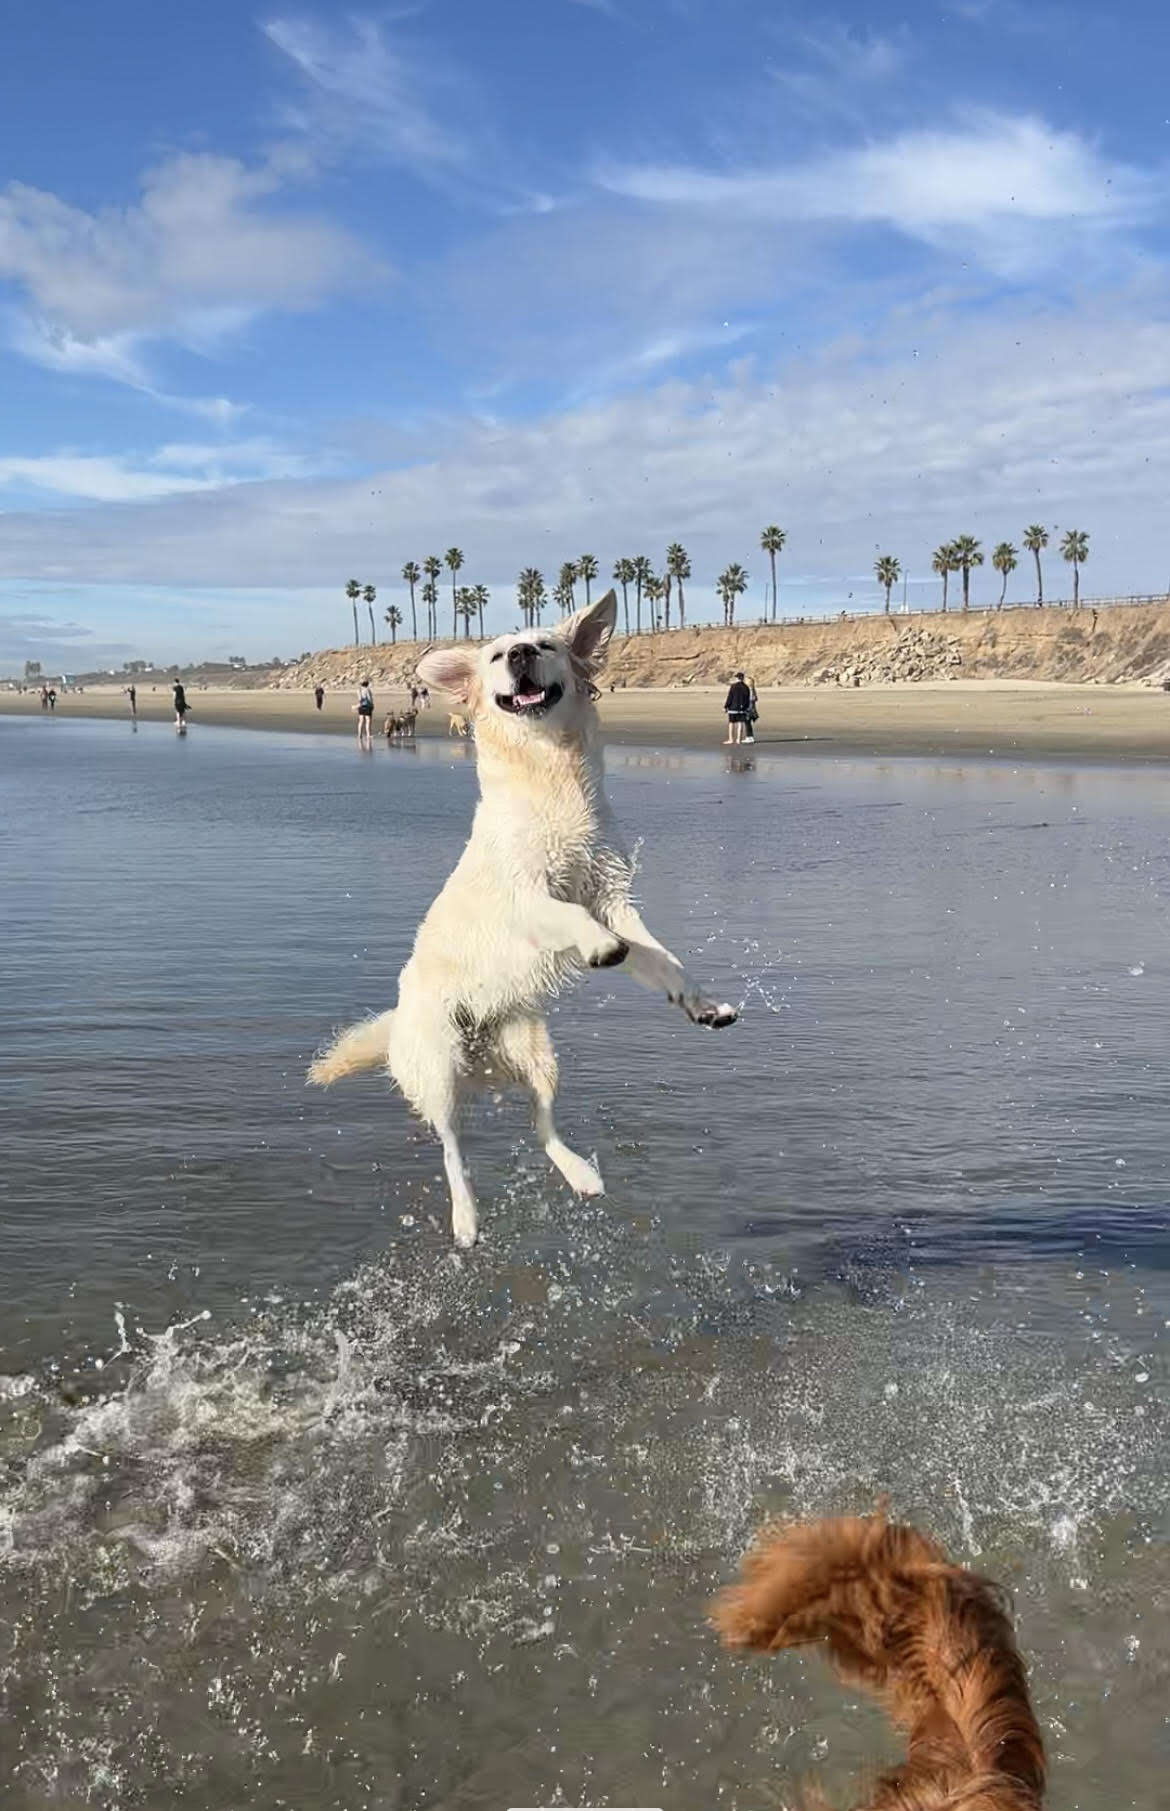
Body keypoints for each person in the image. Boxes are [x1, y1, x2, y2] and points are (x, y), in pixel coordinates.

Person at [724, 671, 752, 745]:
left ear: (737, 678)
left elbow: (730, 697)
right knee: (740, 723)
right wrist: (746, 708)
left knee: (731, 723)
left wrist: (726, 706)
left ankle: (731, 739)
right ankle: (738, 739)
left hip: (733, 708)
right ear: (742, 678)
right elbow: (747, 699)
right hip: (742, 709)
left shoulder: (733, 686)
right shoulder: (746, 687)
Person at [356, 677, 374, 747]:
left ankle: (359, 734)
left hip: (361, 706)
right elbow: (369, 699)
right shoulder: (367, 690)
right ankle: (368, 735)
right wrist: (372, 705)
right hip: (367, 706)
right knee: (368, 721)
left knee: (360, 721)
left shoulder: (359, 690)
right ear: (367, 684)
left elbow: (359, 699)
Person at [745, 675, 759, 744]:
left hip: (749, 708)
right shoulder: (752, 689)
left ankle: (749, 737)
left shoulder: (750, 689)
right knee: (748, 723)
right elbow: (755, 699)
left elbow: (752, 699)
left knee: (747, 723)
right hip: (751, 708)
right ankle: (749, 737)